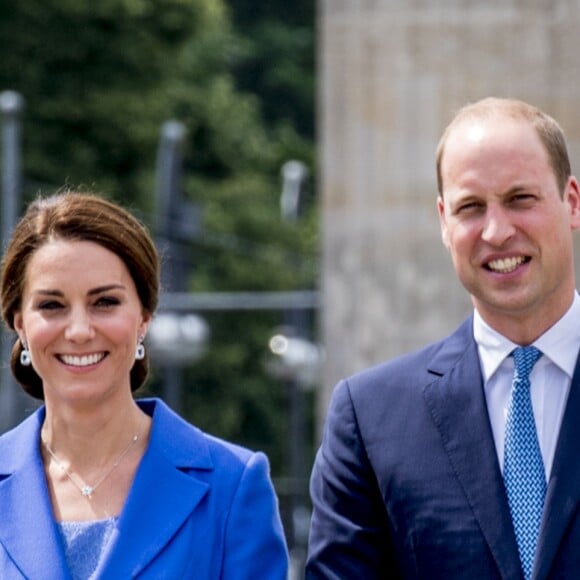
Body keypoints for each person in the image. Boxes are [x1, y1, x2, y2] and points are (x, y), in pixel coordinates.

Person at [306, 97, 580, 579]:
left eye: (520, 199)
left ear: (572, 202)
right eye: (471, 207)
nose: (496, 231)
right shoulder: (371, 419)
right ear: (443, 223)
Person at [0, 191, 288, 579]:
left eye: (104, 302)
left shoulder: (231, 487)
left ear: (144, 317)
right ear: (20, 323)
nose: (81, 330)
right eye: (52, 305)